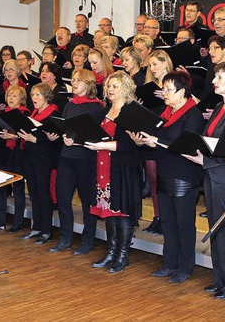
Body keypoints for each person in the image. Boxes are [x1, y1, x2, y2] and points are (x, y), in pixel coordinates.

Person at [182, 62, 225, 300]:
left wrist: (204, 161)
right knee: (216, 229)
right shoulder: (220, 107)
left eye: (219, 77)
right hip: (214, 174)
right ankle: (219, 280)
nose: (214, 81)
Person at [136, 71, 205, 283]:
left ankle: (185, 266)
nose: (163, 92)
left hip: (184, 175)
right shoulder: (166, 113)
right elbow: (161, 141)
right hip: (165, 172)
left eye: (168, 89)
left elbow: (184, 145)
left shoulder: (192, 114)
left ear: (182, 92)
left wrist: (156, 141)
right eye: (164, 88)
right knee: (167, 221)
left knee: (183, 223)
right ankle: (169, 263)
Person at [86, 71, 142, 272]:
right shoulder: (103, 112)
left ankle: (122, 255)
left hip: (122, 168)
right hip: (102, 166)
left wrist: (102, 146)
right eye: (109, 86)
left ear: (126, 88)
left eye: (115, 86)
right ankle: (110, 252)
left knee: (122, 212)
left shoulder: (132, 112)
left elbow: (131, 145)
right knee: (109, 212)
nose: (110, 89)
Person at [50, 69, 105, 255]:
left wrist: (77, 140)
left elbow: (96, 135)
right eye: (72, 80)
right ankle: (65, 238)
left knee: (87, 200)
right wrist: (64, 136)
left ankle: (87, 240)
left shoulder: (97, 107)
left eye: (78, 80)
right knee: (63, 198)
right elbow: (67, 127)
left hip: (85, 158)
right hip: (67, 156)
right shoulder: (69, 105)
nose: (74, 83)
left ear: (88, 83)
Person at [17, 83, 61, 244]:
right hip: (30, 156)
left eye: (38, 95)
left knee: (43, 194)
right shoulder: (34, 113)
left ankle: (46, 231)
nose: (34, 98)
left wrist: (33, 139)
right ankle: (36, 227)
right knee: (33, 193)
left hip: (44, 159)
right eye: (33, 95)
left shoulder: (53, 114)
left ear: (46, 97)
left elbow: (54, 141)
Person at [0, 85, 30, 232]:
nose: (11, 98)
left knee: (17, 190)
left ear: (21, 99)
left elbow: (26, 137)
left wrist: (14, 136)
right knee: (1, 189)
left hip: (18, 155)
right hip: (3, 153)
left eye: (15, 96)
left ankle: (17, 223)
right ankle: (0, 220)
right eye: (9, 95)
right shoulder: (2, 114)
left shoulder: (24, 114)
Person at [141, 49, 174, 235]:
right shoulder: (150, 86)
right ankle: (157, 216)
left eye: (155, 64)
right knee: (153, 179)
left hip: (165, 135)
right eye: (151, 65)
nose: (152, 68)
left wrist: (167, 98)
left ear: (165, 63)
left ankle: (165, 218)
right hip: (150, 133)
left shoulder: (173, 84)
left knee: (162, 179)